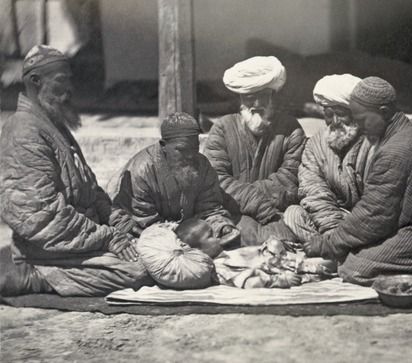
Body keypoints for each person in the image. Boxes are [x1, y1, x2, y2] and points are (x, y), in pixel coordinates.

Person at [0, 45, 151, 297]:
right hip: (46, 249)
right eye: (61, 81)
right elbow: (40, 217)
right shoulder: (23, 131)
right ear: (36, 81)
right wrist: (107, 238)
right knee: (141, 270)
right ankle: (33, 276)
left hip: (79, 237)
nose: (70, 89)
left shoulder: (52, 123)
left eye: (70, 80)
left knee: (151, 247)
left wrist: (116, 220)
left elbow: (89, 188)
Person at [303, 77, 412, 286]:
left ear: (383, 111)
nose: (360, 128)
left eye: (363, 120)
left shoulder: (395, 151)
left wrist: (328, 245)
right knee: (355, 251)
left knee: (354, 268)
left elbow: (373, 217)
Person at [204, 56, 305, 247]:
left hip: (275, 212)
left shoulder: (291, 128)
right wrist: (254, 201)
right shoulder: (222, 128)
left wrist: (253, 199)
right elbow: (215, 179)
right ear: (240, 98)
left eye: (263, 95)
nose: (256, 103)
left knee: (285, 234)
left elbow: (290, 179)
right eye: (249, 96)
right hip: (233, 212)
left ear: (273, 96)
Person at [111, 112, 239, 246]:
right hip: (147, 232)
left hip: (187, 232)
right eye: (182, 150)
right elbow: (144, 221)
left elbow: (210, 208)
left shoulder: (202, 166)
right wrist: (179, 236)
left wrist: (222, 226)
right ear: (163, 145)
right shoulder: (142, 171)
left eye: (195, 148)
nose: (190, 155)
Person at [284, 74, 372, 245]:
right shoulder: (316, 145)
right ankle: (338, 249)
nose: (335, 121)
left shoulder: (373, 143)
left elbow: (379, 201)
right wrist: (333, 232)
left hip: (368, 221)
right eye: (329, 114)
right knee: (293, 214)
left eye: (341, 114)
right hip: (335, 218)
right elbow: (313, 191)